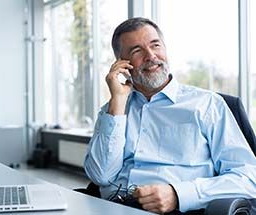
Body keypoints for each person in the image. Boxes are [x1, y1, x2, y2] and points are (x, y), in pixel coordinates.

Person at [84, 17, 256, 214]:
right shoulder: (114, 109)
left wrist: (179, 194)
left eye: (155, 45)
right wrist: (117, 104)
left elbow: (248, 177)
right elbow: (101, 176)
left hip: (178, 211)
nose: (151, 56)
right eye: (137, 50)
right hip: (111, 208)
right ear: (122, 64)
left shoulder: (207, 105)